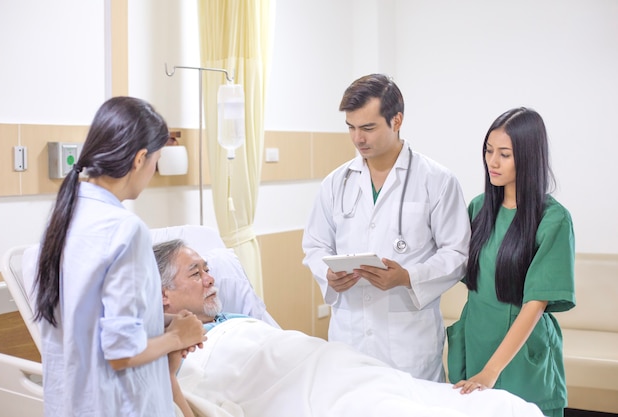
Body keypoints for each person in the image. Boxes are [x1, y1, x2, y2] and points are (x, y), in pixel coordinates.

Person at [152, 239, 546, 417]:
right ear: (163, 295)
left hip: (335, 366)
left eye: (208, 268)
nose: (210, 278)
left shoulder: (237, 321)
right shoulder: (175, 354)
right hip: (295, 394)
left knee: (503, 407)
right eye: (196, 272)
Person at [33, 96, 207, 417]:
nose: (153, 172)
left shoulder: (62, 218)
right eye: (156, 161)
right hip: (117, 405)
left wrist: (165, 321)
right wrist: (176, 337)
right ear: (140, 159)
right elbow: (121, 353)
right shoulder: (125, 230)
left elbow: (89, 320)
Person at [301, 73, 471, 382]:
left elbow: (457, 253)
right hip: (349, 337)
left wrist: (408, 276)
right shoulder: (336, 183)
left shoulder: (436, 180)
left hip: (408, 343)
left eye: (368, 128)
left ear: (396, 120)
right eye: (351, 128)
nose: (358, 139)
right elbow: (315, 244)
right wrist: (328, 275)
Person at [446, 107, 576, 417]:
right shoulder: (479, 208)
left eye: (504, 154)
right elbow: (451, 263)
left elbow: (535, 304)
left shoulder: (553, 219)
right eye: (489, 151)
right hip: (477, 342)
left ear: (530, 157)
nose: (492, 161)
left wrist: (490, 372)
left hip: (520, 356)